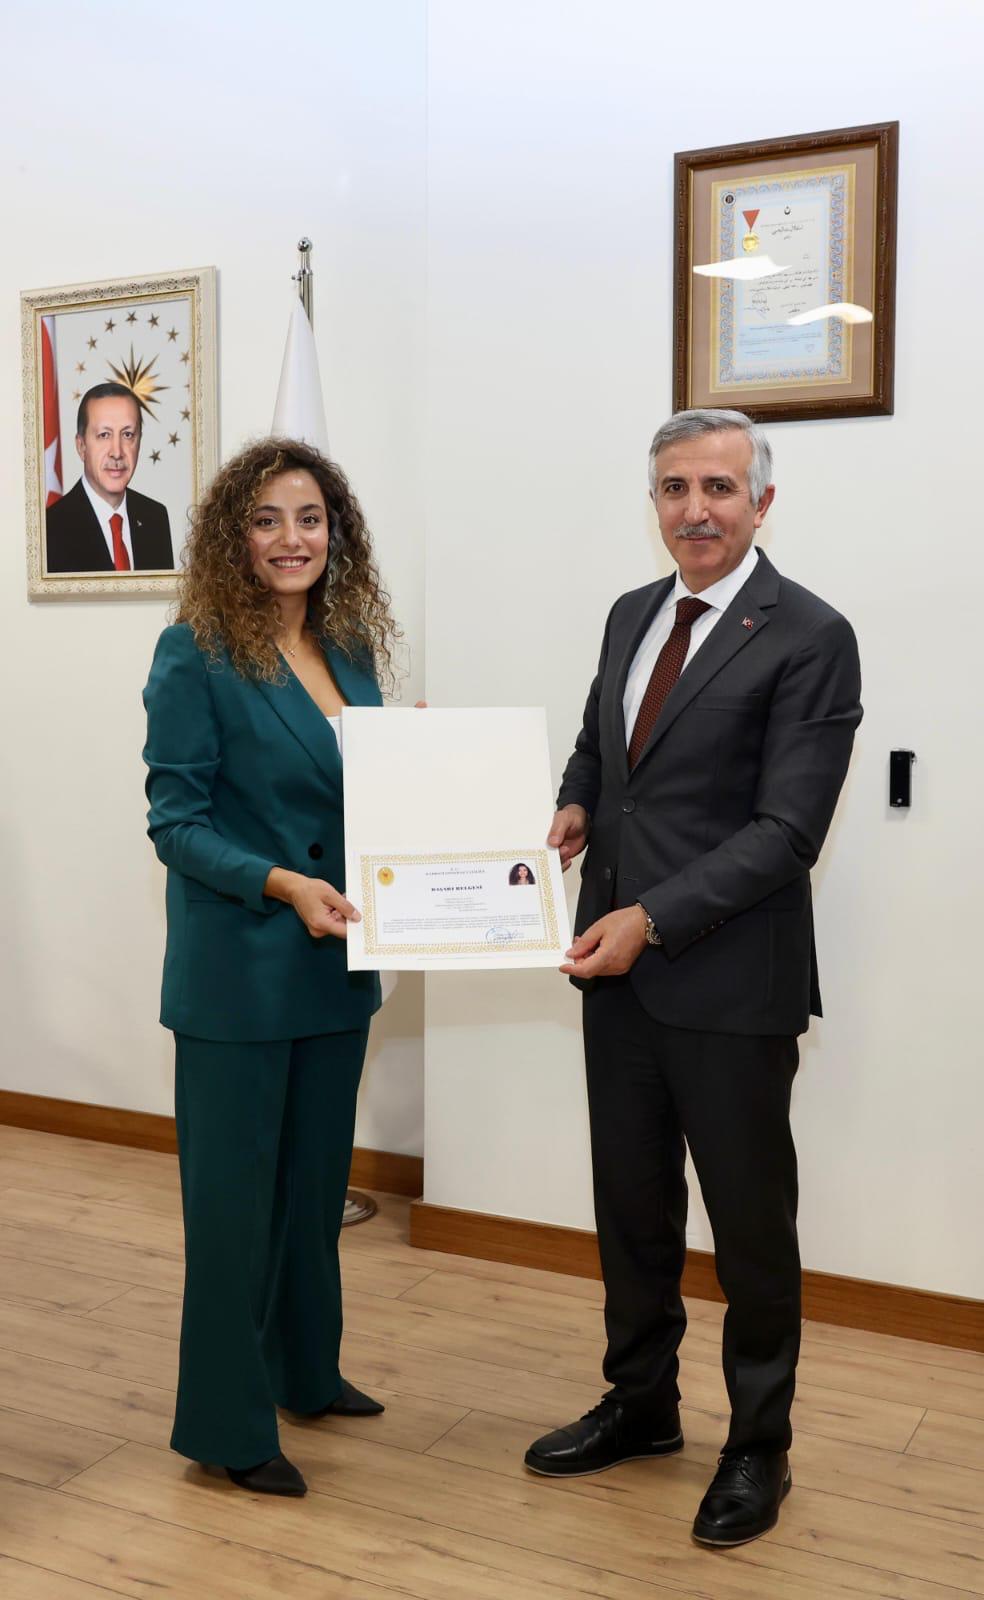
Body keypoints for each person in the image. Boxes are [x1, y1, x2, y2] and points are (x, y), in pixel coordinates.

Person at [524, 408, 862, 1548]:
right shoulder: (633, 612)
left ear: (761, 501)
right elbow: (603, 744)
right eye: (675, 488)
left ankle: (759, 1445)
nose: (696, 509)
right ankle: (642, 1404)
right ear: (655, 502)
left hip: (729, 982)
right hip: (613, 974)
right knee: (631, 1208)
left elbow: (787, 832)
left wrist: (653, 919)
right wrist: (576, 799)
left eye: (719, 487)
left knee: (750, 1228)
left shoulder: (811, 634)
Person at [143, 437, 400, 1497]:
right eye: (266, 520)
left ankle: (305, 1371)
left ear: (335, 532)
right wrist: (281, 884)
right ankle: (226, 1425)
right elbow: (176, 824)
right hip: (240, 973)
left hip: (338, 968)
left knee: (311, 1193)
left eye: (310, 518)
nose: (292, 539)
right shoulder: (193, 652)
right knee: (234, 1214)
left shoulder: (349, 647)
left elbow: (364, 794)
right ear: (232, 538)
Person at [46, 382, 173, 573]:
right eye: (104, 435)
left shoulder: (155, 518)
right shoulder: (51, 528)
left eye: (127, 434)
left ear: (139, 442)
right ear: (81, 446)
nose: (117, 452)